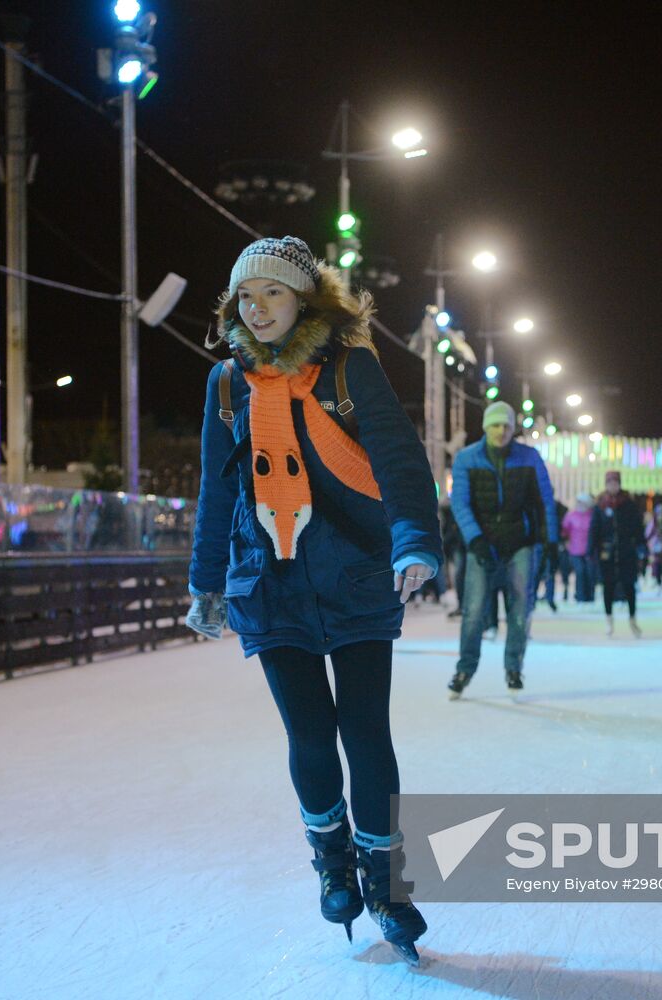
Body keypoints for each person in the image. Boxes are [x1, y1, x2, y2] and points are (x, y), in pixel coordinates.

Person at [185, 237, 441, 966]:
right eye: (245, 297)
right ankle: (332, 863)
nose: (256, 308)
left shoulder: (351, 368)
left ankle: (387, 883)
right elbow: (218, 488)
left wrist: (414, 541)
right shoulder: (226, 385)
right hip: (269, 583)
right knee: (308, 735)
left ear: (304, 299)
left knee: (364, 732)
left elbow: (396, 456)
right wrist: (205, 581)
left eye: (271, 292)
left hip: (355, 574)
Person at [447, 400, 558, 697]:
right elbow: (460, 502)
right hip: (481, 543)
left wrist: (551, 541)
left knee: (521, 606)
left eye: (507, 425)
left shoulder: (529, 457)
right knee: (473, 610)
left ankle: (513, 667)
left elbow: (544, 500)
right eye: (496, 424)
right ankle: (464, 669)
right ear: (486, 427)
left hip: (520, 542)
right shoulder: (466, 458)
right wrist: (475, 539)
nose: (501, 430)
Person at [588, 470, 645, 637]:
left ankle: (633, 619)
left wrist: (641, 547)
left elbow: (637, 528)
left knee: (629, 587)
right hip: (607, 553)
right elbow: (594, 530)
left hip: (626, 552)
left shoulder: (629, 504)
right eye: (610, 483)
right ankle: (609, 620)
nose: (613, 486)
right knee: (608, 587)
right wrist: (591, 550)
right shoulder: (600, 506)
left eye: (615, 482)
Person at [560, 492, 595, 604]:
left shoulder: (592, 516)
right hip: (575, 549)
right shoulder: (571, 516)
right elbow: (564, 531)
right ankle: (580, 595)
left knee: (589, 572)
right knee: (579, 571)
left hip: (589, 549)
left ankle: (589, 596)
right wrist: (566, 542)